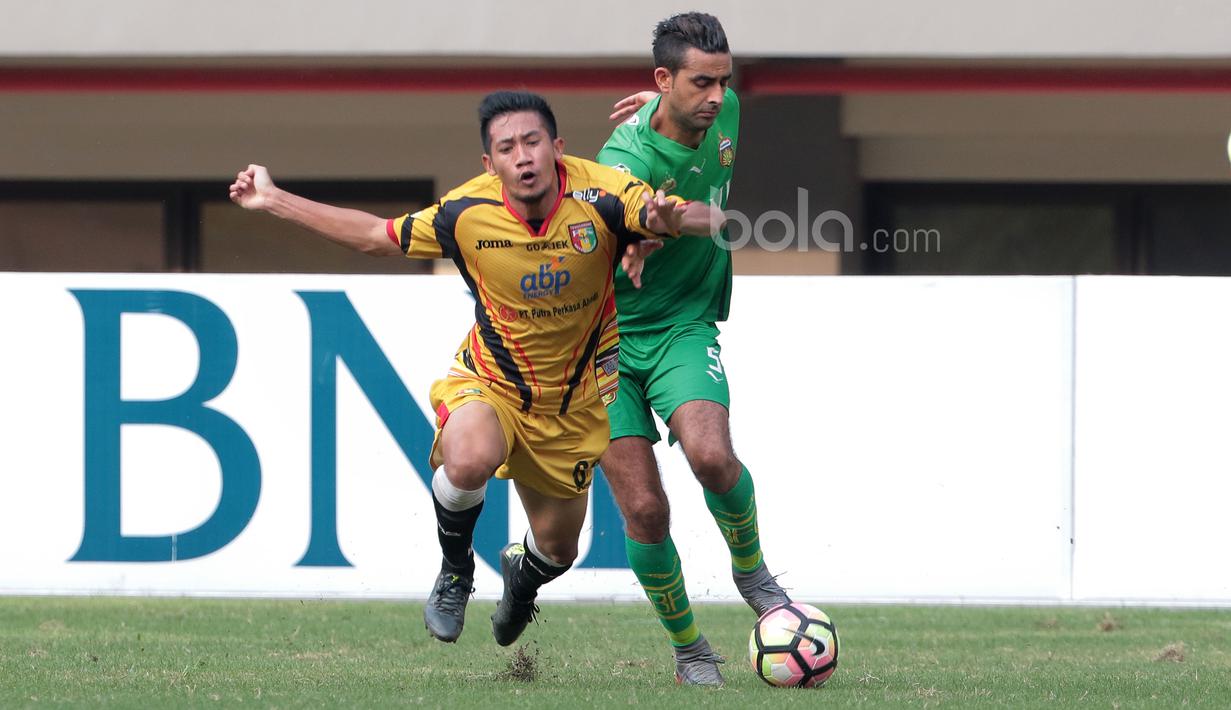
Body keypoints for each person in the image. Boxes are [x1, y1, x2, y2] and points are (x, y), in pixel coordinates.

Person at [229, 90, 721, 647]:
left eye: (533, 142)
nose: (523, 157)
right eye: (507, 148)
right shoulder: (466, 212)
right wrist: (272, 199)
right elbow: (375, 237)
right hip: (490, 383)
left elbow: (698, 217)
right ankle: (455, 571)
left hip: (573, 404)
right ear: (490, 164)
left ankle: (521, 581)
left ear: (556, 148)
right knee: (467, 460)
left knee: (559, 551)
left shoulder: (604, 193)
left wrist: (674, 218)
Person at [595, 13, 791, 686]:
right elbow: (634, 209)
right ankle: (689, 648)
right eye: (698, 83)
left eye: (720, 81)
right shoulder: (623, 160)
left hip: (683, 321)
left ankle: (753, 573)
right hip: (603, 341)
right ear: (663, 80)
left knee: (712, 455)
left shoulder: (724, 108)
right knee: (645, 509)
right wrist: (644, 229)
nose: (715, 96)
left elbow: (702, 200)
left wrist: (660, 105)